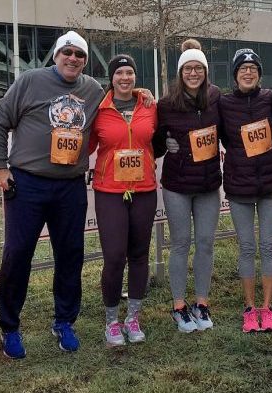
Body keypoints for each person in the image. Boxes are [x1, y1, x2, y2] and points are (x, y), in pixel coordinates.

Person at [0, 31, 105, 359]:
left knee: (71, 254)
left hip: (70, 185)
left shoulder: (92, 90)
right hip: (27, 183)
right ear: (56, 55)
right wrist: (0, 167)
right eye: (67, 52)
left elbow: (117, 105)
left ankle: (64, 321)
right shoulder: (30, 81)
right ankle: (10, 327)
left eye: (80, 54)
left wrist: (140, 92)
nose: (73, 58)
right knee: (18, 253)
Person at [89, 54, 158, 347]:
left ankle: (133, 318)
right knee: (115, 257)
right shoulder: (99, 109)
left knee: (140, 254)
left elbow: (162, 136)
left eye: (130, 73)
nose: (125, 78)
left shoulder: (149, 106)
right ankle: (112, 321)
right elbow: (84, 145)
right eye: (120, 74)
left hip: (144, 189)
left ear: (135, 77)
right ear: (112, 78)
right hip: (110, 191)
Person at [154, 39, 221, 333]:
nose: (193, 73)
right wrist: (164, 143)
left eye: (198, 69)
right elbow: (154, 143)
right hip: (177, 185)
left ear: (205, 72)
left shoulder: (216, 97)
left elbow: (230, 129)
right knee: (181, 244)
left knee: (205, 243)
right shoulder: (167, 103)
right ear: (180, 73)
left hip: (208, 183)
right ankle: (179, 305)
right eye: (188, 69)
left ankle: (202, 302)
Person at [219, 48, 272, 333]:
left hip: (269, 185)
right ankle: (249, 308)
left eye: (253, 68)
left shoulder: (271, 99)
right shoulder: (223, 103)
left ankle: (267, 308)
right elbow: (221, 135)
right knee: (247, 248)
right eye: (242, 68)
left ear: (259, 73)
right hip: (239, 187)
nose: (248, 72)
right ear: (235, 75)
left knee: (268, 247)